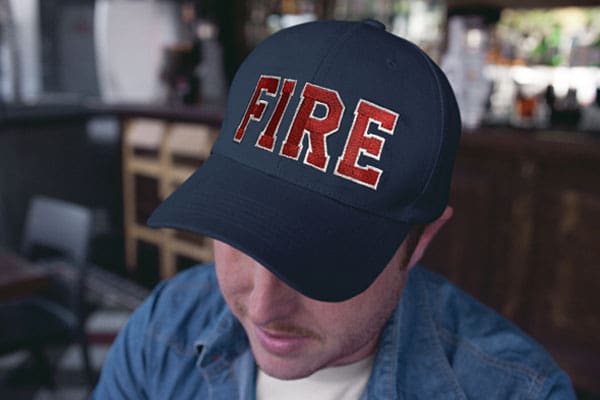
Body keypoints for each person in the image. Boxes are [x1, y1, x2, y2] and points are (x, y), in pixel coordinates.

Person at [93, 20, 575, 399]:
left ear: (421, 240)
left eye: (319, 262)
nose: (263, 307)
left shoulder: (517, 389)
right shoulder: (162, 329)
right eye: (240, 235)